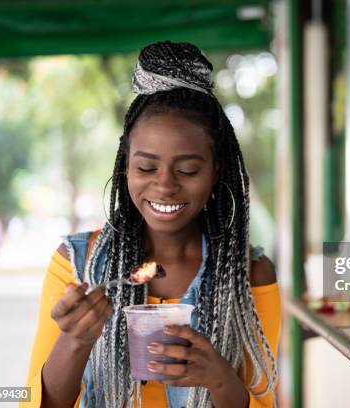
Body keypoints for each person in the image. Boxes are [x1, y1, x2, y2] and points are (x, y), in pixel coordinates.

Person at [23, 41, 280, 408]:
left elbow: (265, 399)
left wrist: (221, 380)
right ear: (125, 164)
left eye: (188, 170)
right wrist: (75, 341)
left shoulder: (248, 274)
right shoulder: (76, 265)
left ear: (215, 172)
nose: (165, 185)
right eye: (146, 167)